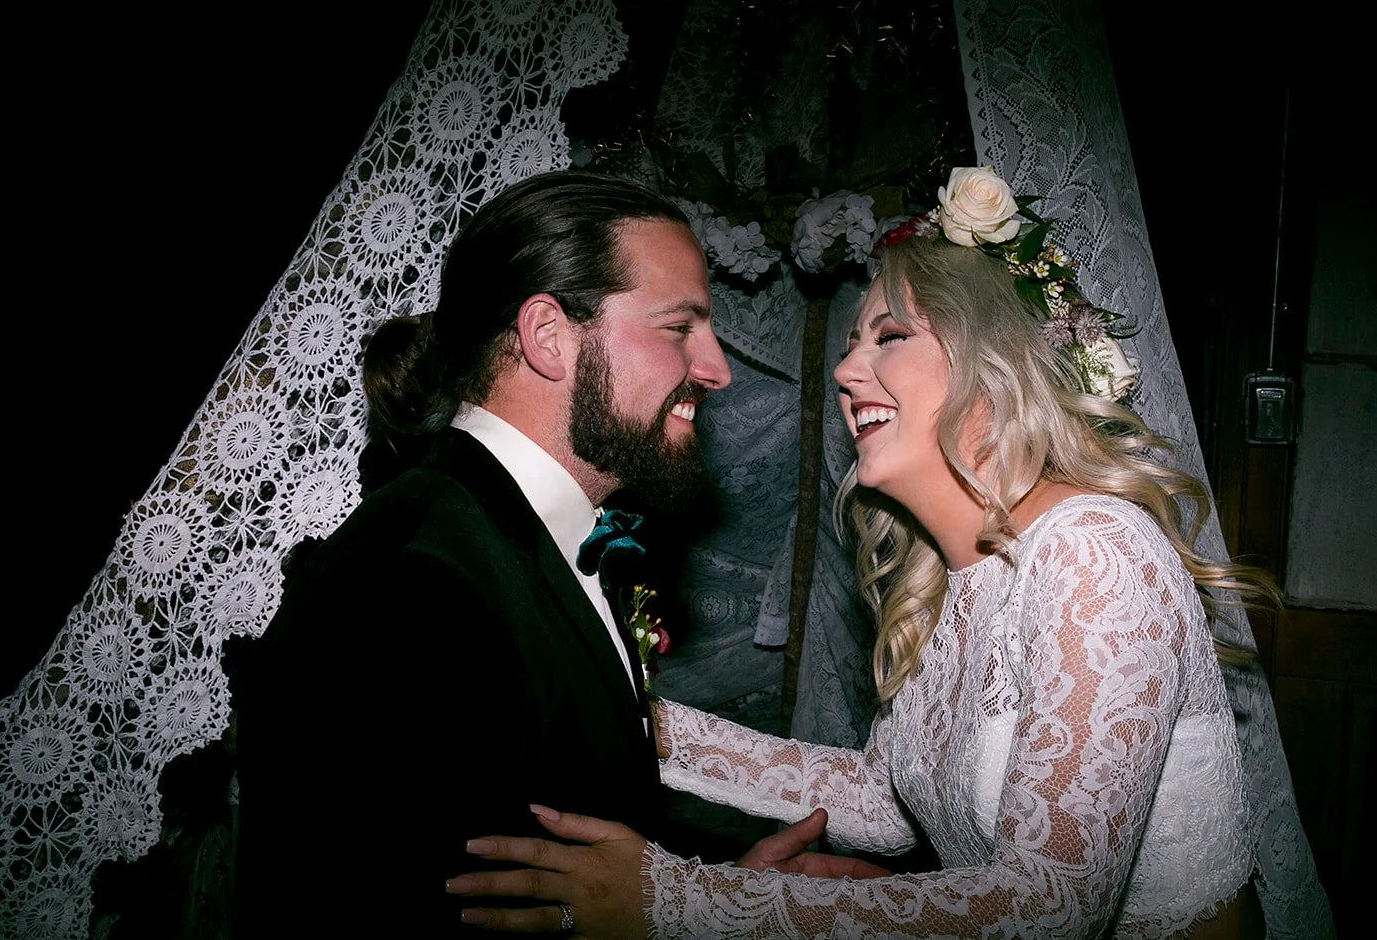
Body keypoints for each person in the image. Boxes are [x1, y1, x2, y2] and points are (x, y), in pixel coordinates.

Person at [447, 167, 1274, 938]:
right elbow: (884, 798)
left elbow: (1053, 905)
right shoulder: (955, 578)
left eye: (889, 335)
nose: (847, 369)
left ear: (991, 361)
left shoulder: (1095, 553)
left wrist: (680, 900)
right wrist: (632, 715)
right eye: (851, 342)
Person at [230, 170, 734, 935]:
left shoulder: (531, 535)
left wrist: (730, 897)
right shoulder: (415, 581)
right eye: (679, 327)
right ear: (547, 336)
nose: (716, 368)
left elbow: (551, 834)